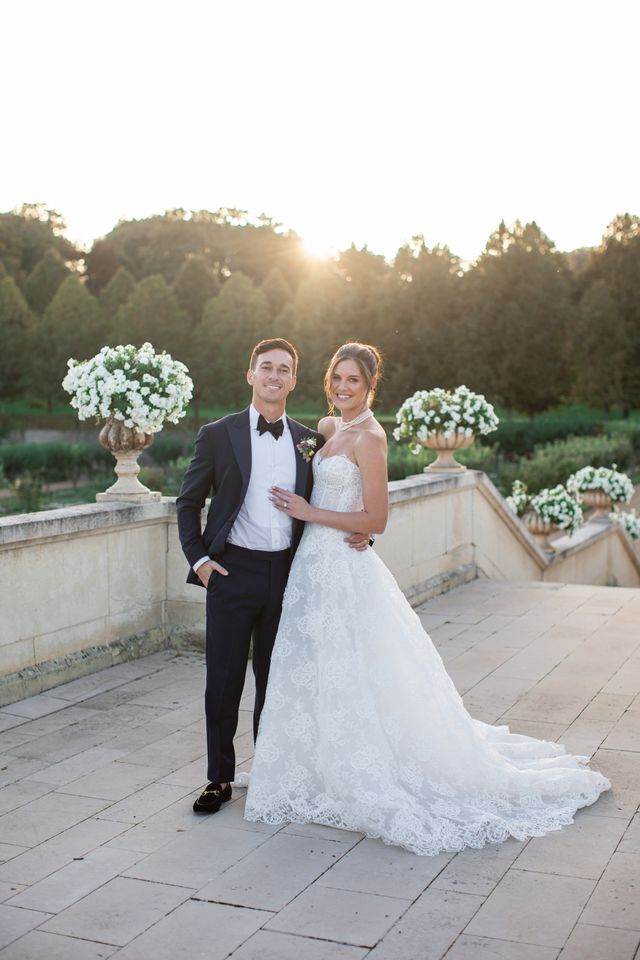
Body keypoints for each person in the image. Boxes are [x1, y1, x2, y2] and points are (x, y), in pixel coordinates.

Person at [244, 341, 611, 855]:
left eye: (354, 380)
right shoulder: (328, 430)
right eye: (337, 378)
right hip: (310, 568)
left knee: (355, 669)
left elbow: (376, 520)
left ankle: (364, 768)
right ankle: (309, 761)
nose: (343, 387)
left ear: (371, 386)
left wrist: (312, 513)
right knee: (313, 663)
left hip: (344, 568)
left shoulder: (371, 437)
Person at [176, 338, 370, 814]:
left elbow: (341, 495)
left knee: (277, 681)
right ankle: (219, 779)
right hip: (231, 571)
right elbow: (187, 502)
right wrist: (200, 562)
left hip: (290, 574)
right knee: (222, 682)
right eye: (266, 367)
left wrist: (366, 534)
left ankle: (270, 773)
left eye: (284, 369)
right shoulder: (218, 434)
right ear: (251, 375)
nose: (274, 376)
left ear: (293, 380)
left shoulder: (310, 440)